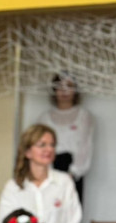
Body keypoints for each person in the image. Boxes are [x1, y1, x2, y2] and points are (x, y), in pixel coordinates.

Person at [0, 125, 81, 223]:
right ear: (28, 152)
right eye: (42, 145)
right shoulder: (13, 187)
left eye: (52, 145)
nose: (49, 149)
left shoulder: (65, 182)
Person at [38, 73, 94, 202]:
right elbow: (39, 146)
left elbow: (85, 147)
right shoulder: (44, 117)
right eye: (60, 86)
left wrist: (73, 173)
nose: (64, 91)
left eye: (69, 86)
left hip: (72, 171)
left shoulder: (84, 116)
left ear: (75, 90)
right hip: (48, 169)